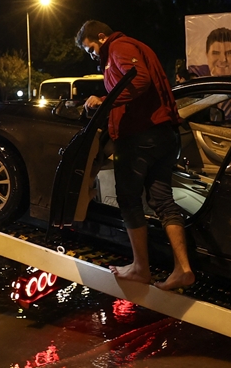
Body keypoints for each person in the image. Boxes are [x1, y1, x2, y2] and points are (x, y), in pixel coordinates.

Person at [77, 20, 195, 291]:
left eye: (91, 48)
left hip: (140, 135)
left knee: (128, 199)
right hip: (164, 133)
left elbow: (139, 79)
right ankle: (183, 269)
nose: (92, 55)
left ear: (102, 38)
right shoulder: (134, 46)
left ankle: (141, 268)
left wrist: (104, 101)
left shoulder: (118, 47)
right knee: (163, 200)